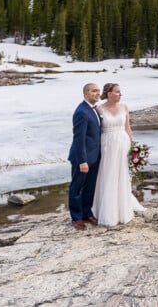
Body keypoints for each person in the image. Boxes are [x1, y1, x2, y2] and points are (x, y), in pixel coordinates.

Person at [92, 82, 145, 226]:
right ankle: (107, 212)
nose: (120, 94)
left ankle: (123, 210)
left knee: (122, 175)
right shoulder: (98, 108)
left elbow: (128, 127)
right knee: (108, 174)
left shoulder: (124, 107)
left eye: (120, 92)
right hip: (107, 145)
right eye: (117, 92)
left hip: (123, 143)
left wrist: (134, 148)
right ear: (108, 93)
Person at [67, 83, 102, 230]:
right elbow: (79, 138)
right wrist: (82, 160)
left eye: (98, 90)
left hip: (94, 156)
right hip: (82, 158)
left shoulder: (93, 109)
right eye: (94, 91)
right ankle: (76, 217)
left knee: (89, 187)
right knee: (77, 188)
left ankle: (87, 213)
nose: (98, 93)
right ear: (86, 94)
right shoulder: (81, 111)